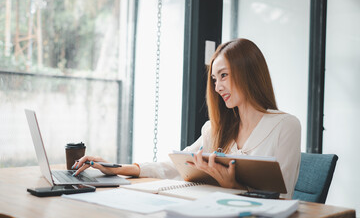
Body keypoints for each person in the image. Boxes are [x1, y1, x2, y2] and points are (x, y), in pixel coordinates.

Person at [73, 38, 301, 199]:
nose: (218, 87)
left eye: (224, 75)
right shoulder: (214, 129)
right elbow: (174, 165)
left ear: (248, 73)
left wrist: (233, 185)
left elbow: (282, 196)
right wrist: (118, 168)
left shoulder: (286, 126)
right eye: (214, 79)